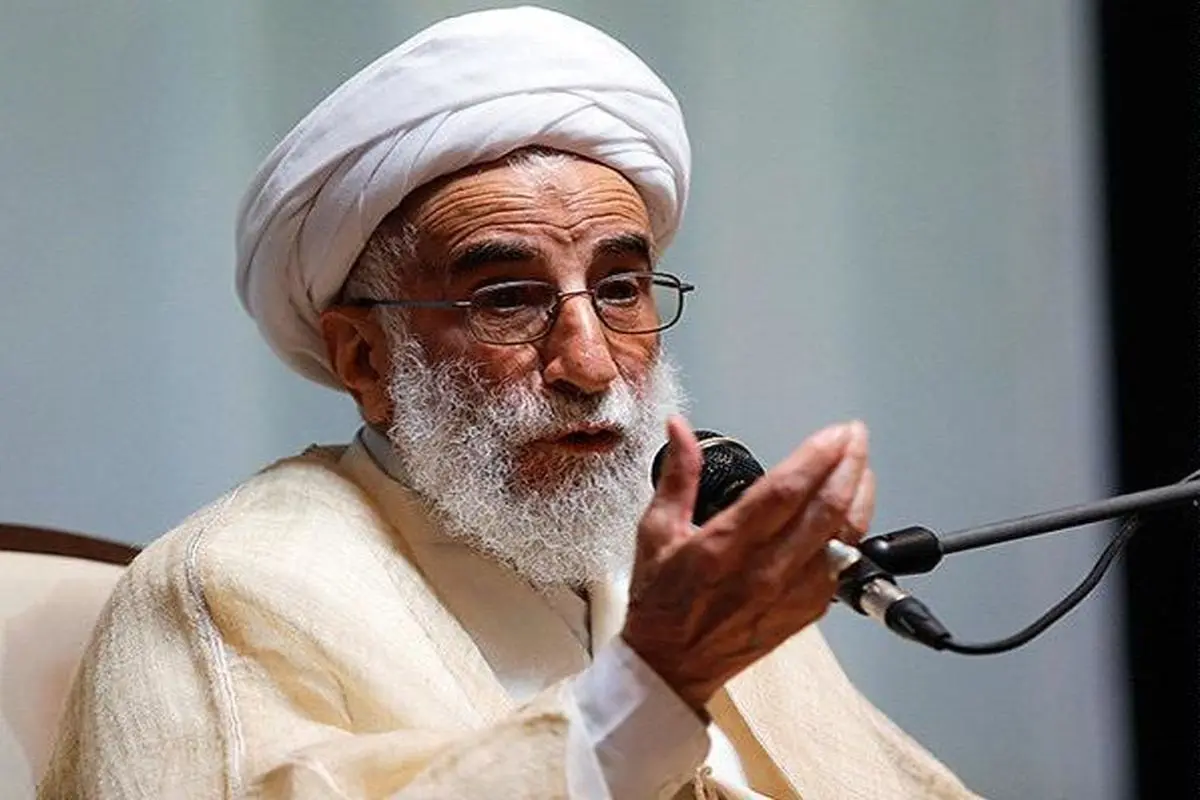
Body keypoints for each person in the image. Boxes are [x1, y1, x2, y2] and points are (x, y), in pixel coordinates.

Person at [40, 7, 980, 799]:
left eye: (620, 289)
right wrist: (657, 679)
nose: (590, 364)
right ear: (365, 355)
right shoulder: (233, 586)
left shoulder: (667, 558)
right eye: (506, 299)